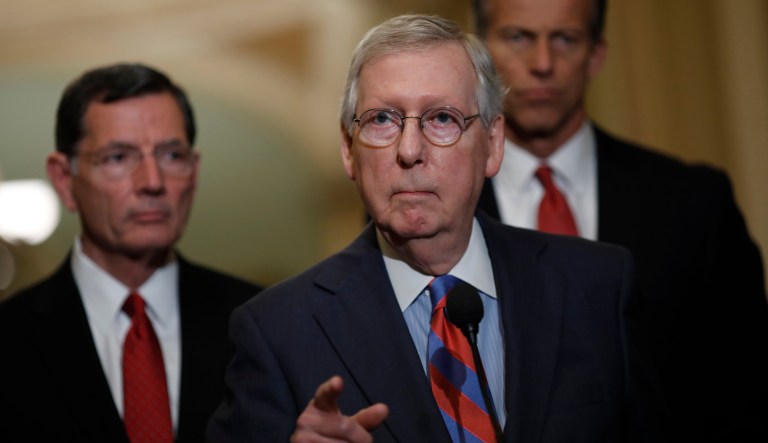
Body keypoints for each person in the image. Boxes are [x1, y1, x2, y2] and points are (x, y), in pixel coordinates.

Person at [208, 14, 664, 442]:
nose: (409, 150)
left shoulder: (598, 286)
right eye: (382, 119)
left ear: (492, 144)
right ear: (349, 149)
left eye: (442, 119)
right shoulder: (276, 331)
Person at [471, 0, 768, 440]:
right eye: (518, 37)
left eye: (565, 39)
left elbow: (745, 390)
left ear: (596, 55)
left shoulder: (694, 204)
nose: (542, 64)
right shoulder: (432, 209)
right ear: (481, 54)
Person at [0, 63, 261, 443]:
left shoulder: (260, 323)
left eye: (172, 155)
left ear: (194, 169)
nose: (153, 182)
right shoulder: (10, 341)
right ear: (63, 179)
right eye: (118, 158)